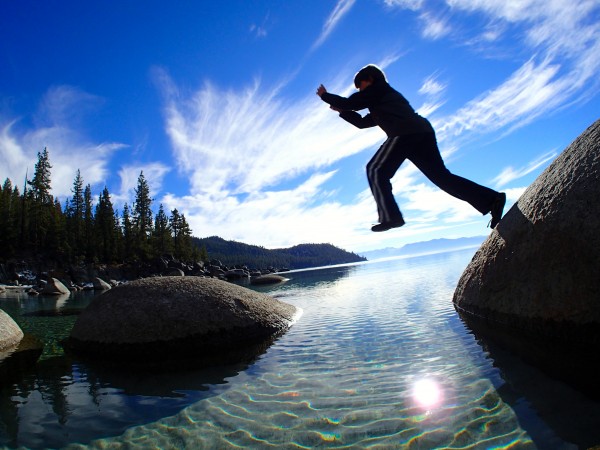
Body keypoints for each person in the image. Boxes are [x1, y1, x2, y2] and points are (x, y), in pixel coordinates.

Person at [317, 64, 506, 232]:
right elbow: (362, 123)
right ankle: (492, 200)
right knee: (442, 178)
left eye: (361, 86)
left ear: (370, 80)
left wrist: (325, 96)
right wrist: (342, 111)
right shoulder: (382, 100)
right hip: (421, 133)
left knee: (375, 169)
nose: (360, 90)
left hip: (404, 133)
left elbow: (352, 103)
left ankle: (391, 217)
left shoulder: (379, 89)